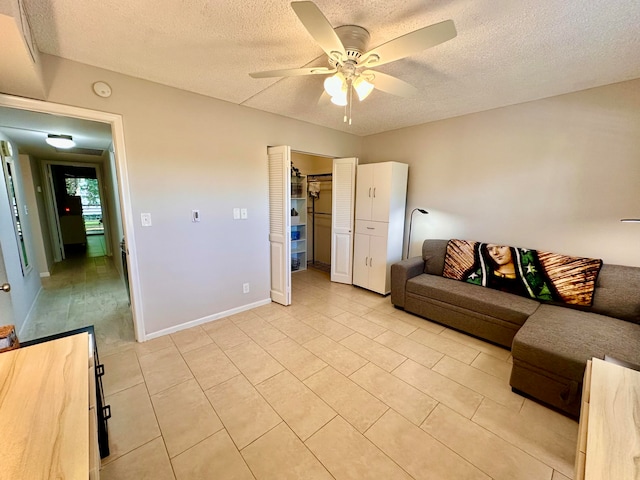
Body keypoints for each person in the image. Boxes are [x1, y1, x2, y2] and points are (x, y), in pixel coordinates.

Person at [464, 243, 558, 301]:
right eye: (490, 249)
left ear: (513, 249)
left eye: (501, 247)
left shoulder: (531, 279)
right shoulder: (481, 276)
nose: (495, 253)